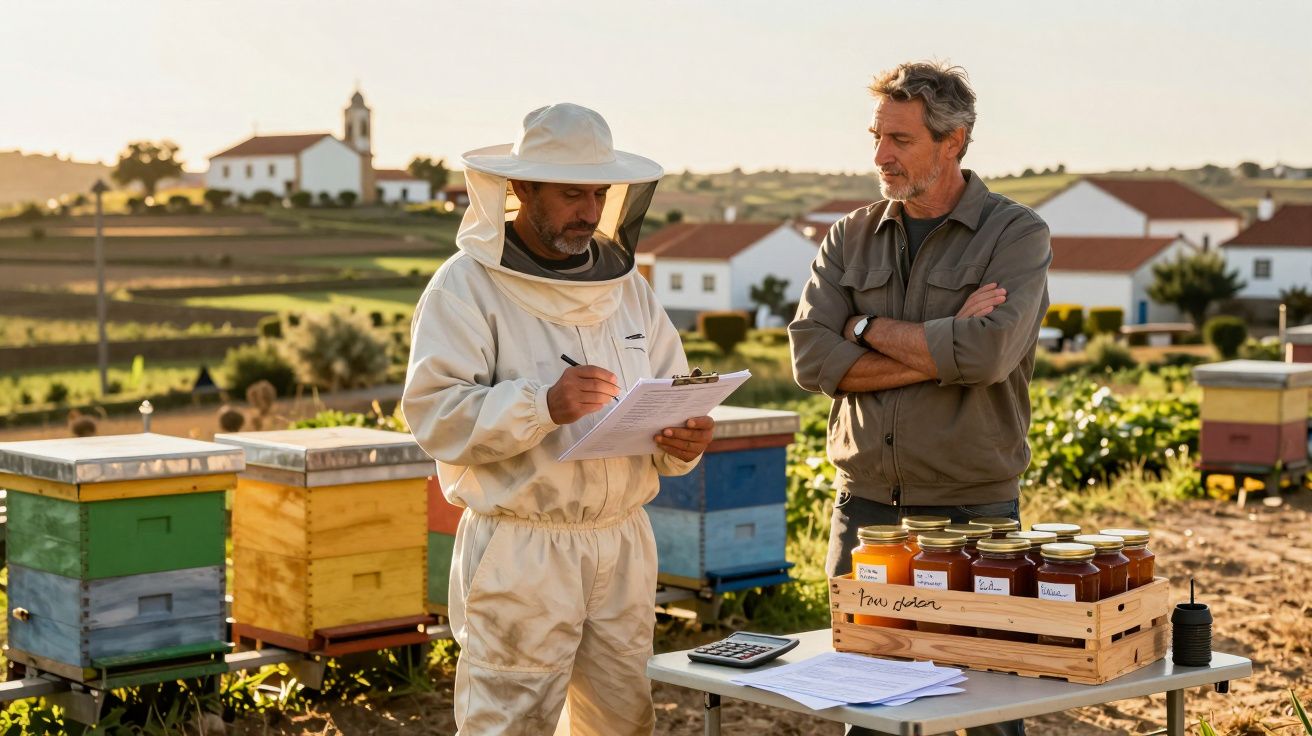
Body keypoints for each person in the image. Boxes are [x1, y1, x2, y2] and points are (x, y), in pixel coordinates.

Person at [402, 103, 714, 736]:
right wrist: (541, 405)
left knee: (622, 720)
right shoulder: (464, 288)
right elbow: (435, 415)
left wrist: (685, 437)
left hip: (622, 541)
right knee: (508, 722)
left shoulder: (628, 287)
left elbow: (669, 386)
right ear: (519, 188)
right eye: (573, 194)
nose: (591, 211)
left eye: (600, 194)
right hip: (524, 548)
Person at [789, 61, 1052, 736]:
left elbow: (989, 353)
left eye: (900, 140)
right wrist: (941, 349)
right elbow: (812, 358)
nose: (881, 155)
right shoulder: (849, 236)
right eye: (877, 136)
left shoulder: (1015, 235)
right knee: (868, 701)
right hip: (867, 511)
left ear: (953, 141)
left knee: (989, 706)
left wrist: (864, 331)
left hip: (973, 514)